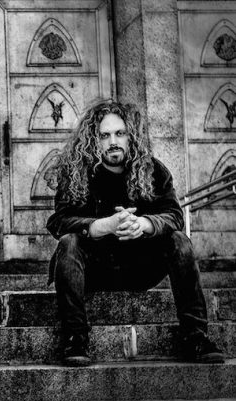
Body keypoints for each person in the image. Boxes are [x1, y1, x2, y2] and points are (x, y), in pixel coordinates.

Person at [46, 100, 225, 366]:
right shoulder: (76, 173)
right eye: (104, 135)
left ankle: (195, 336)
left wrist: (145, 224)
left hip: (140, 267)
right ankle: (75, 339)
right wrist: (102, 226)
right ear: (93, 139)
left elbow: (174, 215)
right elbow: (59, 221)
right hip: (95, 270)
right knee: (68, 242)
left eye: (120, 133)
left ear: (131, 136)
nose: (113, 142)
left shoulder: (153, 170)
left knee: (179, 240)